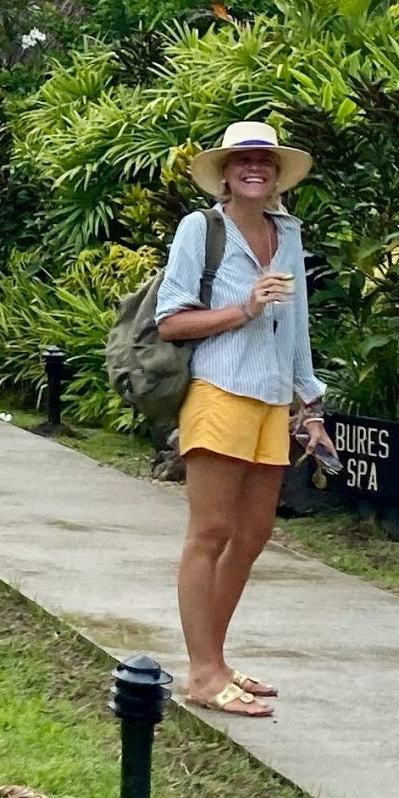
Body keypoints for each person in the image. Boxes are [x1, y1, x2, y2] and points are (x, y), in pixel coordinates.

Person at [154, 118, 334, 718]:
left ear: (277, 174)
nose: (254, 169)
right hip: (219, 390)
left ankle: (218, 660)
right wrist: (244, 307)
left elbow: (299, 326)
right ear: (226, 174)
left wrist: (310, 407)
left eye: (265, 161)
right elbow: (172, 321)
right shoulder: (200, 230)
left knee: (253, 536)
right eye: (241, 161)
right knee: (210, 534)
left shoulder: (288, 233)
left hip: (271, 399)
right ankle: (202, 674)